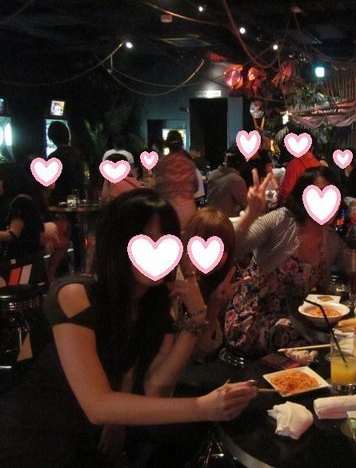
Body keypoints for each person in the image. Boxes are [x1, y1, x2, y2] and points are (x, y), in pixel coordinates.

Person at [0, 189, 257, 467]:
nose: (158, 250)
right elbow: (98, 405)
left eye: (167, 240)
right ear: (118, 243)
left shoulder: (154, 304)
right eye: (146, 239)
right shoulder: (75, 294)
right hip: (30, 437)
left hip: (84, 440)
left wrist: (197, 317)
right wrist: (203, 408)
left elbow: (156, 388)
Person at [225, 167, 356, 358]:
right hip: (250, 320)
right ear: (302, 196)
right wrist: (250, 214)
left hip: (294, 321)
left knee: (346, 336)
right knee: (321, 345)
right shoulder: (280, 220)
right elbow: (231, 248)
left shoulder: (330, 239)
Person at [180, 207, 241, 361]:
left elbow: (204, 351)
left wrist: (214, 306)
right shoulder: (175, 282)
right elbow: (191, 355)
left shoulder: (223, 282)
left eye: (223, 249)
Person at [154, 131, 199, 229]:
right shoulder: (190, 164)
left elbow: (157, 190)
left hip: (168, 211)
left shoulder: (161, 164)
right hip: (189, 211)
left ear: (167, 145)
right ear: (181, 144)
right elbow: (196, 187)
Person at [277, 135, 321, 205]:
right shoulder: (319, 164)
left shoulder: (294, 165)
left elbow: (286, 192)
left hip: (298, 207)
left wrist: (279, 198)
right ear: (312, 148)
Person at [46, 121, 83, 205]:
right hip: (77, 199)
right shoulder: (77, 154)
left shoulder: (53, 157)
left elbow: (50, 185)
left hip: (59, 201)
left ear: (51, 137)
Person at [206, 148, 248, 218]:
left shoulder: (212, 174)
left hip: (209, 218)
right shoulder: (236, 179)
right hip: (226, 221)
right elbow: (246, 204)